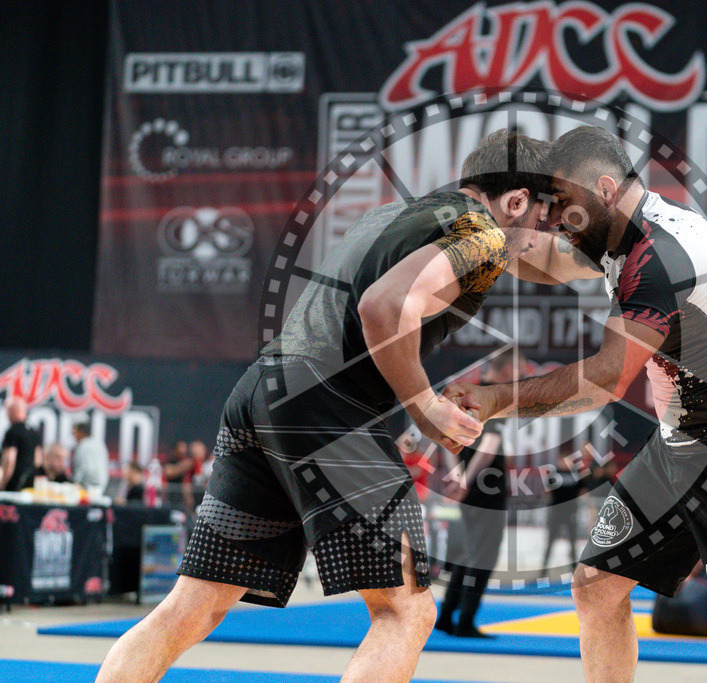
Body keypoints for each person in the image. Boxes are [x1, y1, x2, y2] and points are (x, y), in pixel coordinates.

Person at [96, 129, 557, 682]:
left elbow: (520, 260)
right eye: (544, 218)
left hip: (259, 394)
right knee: (405, 610)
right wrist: (425, 407)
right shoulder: (481, 236)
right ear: (515, 201)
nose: (544, 233)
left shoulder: (395, 214)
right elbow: (383, 308)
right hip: (327, 413)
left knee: (193, 604)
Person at [445, 126, 707, 681]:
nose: (555, 221)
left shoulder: (661, 258)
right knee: (594, 588)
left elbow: (604, 380)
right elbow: (547, 265)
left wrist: (492, 399)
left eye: (563, 206)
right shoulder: (624, 234)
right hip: (678, 450)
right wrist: (498, 235)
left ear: (605, 189)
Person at [436, 352, 516, 638]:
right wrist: (466, 481)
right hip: (486, 492)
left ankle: (446, 615)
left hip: (469, 490)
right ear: (506, 368)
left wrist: (457, 478)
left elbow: (448, 441)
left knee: (466, 554)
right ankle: (465, 620)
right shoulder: (494, 398)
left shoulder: (465, 396)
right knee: (482, 557)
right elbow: (489, 446)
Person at [540, 444, 595, 573]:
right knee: (550, 542)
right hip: (556, 512)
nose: (565, 463)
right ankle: (543, 569)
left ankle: (573, 570)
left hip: (571, 512)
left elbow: (583, 490)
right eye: (562, 460)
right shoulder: (553, 474)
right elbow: (547, 491)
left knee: (572, 543)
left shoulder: (576, 474)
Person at [1, 397, 42, 491]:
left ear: (13, 411)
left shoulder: (13, 431)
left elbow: (9, 460)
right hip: (29, 480)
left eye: (8, 412)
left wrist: (3, 482)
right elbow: (38, 460)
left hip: (14, 481)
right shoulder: (33, 431)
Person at [71, 422, 109, 496]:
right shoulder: (99, 444)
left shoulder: (83, 446)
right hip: (102, 485)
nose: (74, 436)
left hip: (86, 486)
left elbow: (84, 467)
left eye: (74, 433)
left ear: (80, 432)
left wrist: (75, 482)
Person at [162, 441, 195, 517]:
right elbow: (169, 472)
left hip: (187, 500)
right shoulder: (171, 461)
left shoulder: (191, 463)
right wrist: (184, 466)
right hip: (173, 499)